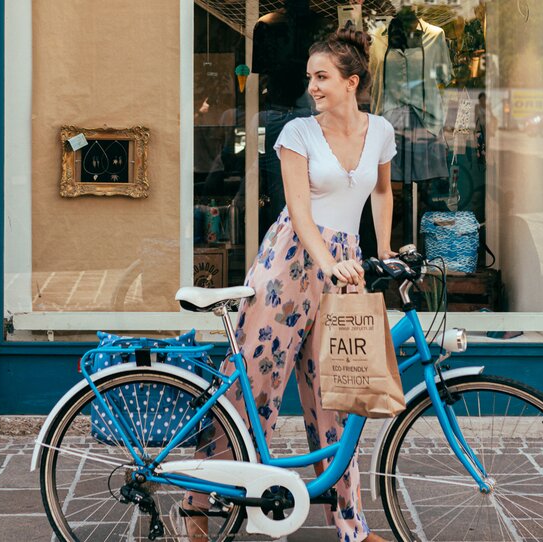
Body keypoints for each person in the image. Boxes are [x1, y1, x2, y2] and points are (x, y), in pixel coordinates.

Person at [181, 26, 398, 542]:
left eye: (322, 77)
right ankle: (196, 503)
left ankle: (350, 524)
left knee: (338, 397)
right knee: (251, 389)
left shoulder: (382, 132)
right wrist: (326, 262)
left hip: (346, 264)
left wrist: (384, 253)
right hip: (290, 264)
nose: (313, 87)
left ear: (352, 81)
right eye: (310, 78)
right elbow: (299, 210)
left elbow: (384, 193)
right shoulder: (297, 134)